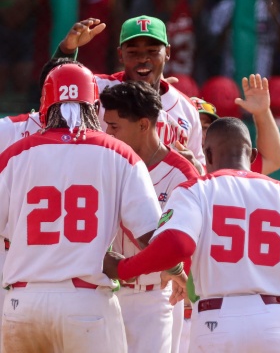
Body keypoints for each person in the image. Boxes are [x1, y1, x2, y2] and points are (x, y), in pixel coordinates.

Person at [102, 117, 280, 353]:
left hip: (216, 321)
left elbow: (177, 246)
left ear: (207, 155)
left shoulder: (195, 189)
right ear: (253, 156)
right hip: (273, 322)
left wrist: (124, 269)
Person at [0, 63, 161, 352]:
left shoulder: (14, 154)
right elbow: (152, 235)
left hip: (23, 303)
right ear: (95, 105)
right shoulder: (119, 152)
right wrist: (170, 268)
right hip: (86, 301)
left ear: (45, 107)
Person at [101, 80, 201, 353]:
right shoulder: (105, 160)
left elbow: (190, 241)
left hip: (154, 296)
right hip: (103, 291)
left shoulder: (182, 175)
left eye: (114, 126)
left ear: (144, 125)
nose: (106, 133)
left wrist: (182, 275)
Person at [52, 16, 206, 167]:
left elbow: (201, 165)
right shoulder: (97, 87)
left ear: (167, 53)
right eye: (133, 52)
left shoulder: (186, 109)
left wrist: (195, 168)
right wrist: (67, 50)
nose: (143, 59)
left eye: (152, 51)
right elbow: (55, 86)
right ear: (120, 55)